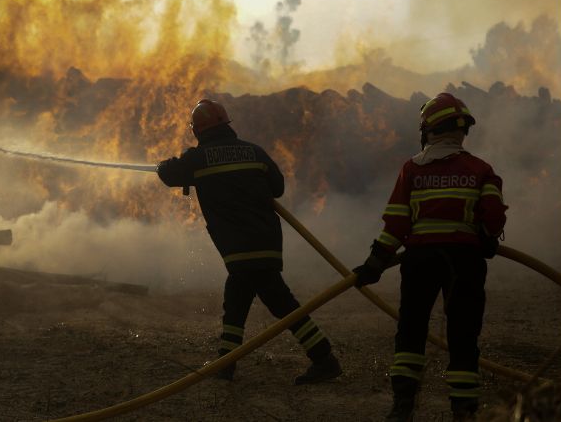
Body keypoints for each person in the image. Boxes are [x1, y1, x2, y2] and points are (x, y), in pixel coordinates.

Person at [156, 98, 342, 384]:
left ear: (198, 130)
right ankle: (227, 363)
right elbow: (277, 187)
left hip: (238, 247)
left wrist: (164, 165)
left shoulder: (197, 158)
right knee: (238, 298)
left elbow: (169, 174)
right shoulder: (253, 152)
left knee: (280, 303)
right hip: (266, 241)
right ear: (227, 124)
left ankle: (323, 358)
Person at [352, 92, 508, 421]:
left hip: (419, 259)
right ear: (461, 131)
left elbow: (396, 223)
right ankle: (463, 410)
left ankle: (402, 406)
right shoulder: (481, 170)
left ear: (429, 131)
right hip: (464, 260)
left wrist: (374, 263)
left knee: (411, 329)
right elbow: (493, 218)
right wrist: (488, 238)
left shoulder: (412, 169)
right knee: (463, 334)